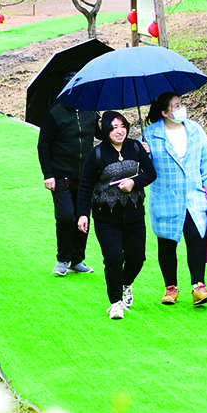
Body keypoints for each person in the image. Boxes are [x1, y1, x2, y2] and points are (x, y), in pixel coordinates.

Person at [76, 111, 156, 319]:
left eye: (122, 126)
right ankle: (115, 303)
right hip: (106, 216)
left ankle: (126, 284)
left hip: (134, 214)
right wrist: (83, 214)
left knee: (137, 258)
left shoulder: (136, 147)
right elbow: (85, 186)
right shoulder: (98, 154)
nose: (119, 131)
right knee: (113, 258)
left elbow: (150, 173)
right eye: (113, 127)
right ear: (105, 131)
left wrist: (134, 183)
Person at [142, 91, 207, 307]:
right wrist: (143, 153)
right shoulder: (150, 134)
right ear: (165, 112)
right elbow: (144, 168)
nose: (181, 108)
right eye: (176, 106)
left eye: (181, 104)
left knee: (196, 238)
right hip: (166, 197)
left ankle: (199, 287)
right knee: (167, 242)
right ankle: (170, 288)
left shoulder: (195, 130)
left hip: (194, 195)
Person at [35, 75, 96, 277]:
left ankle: (77, 259)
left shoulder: (91, 111)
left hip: (86, 176)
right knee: (65, 216)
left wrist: (110, 123)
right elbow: (43, 145)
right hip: (61, 176)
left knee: (83, 217)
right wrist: (48, 174)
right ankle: (63, 259)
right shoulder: (56, 113)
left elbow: (104, 134)